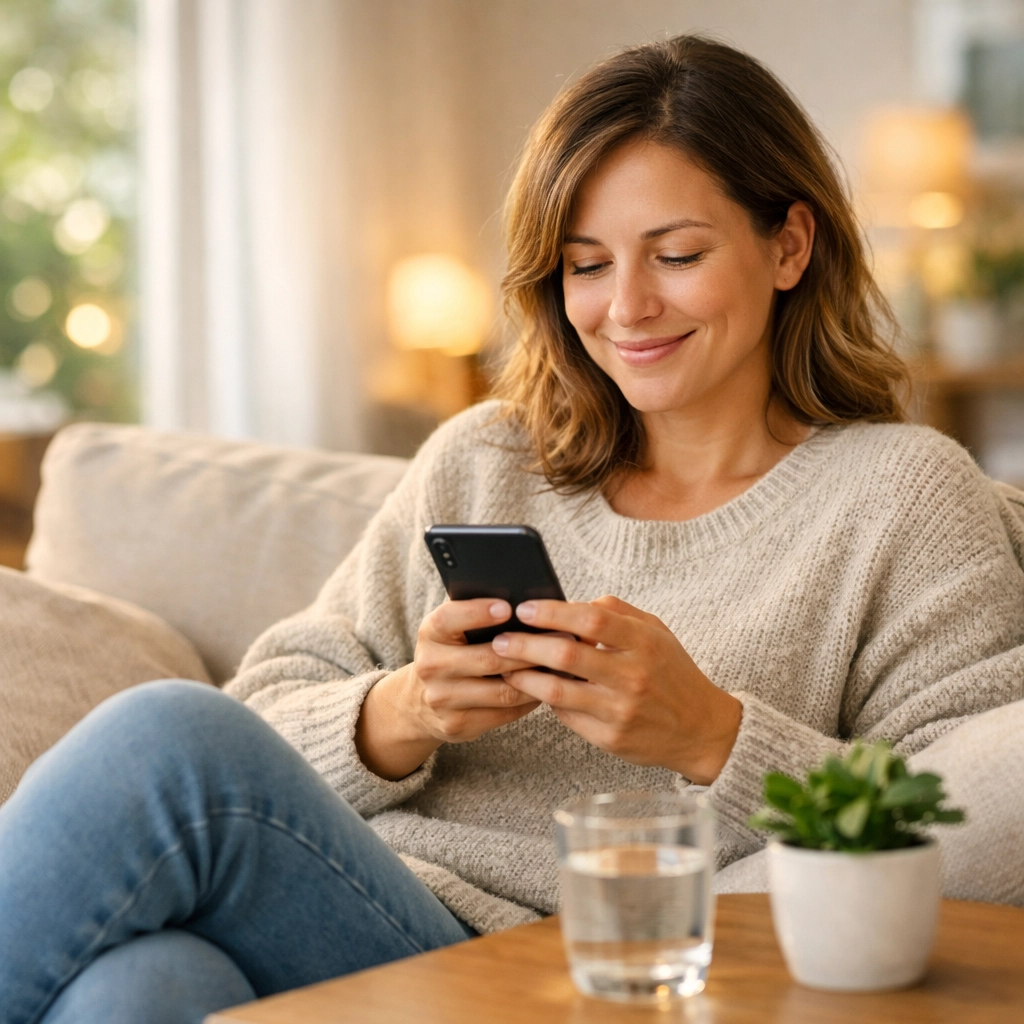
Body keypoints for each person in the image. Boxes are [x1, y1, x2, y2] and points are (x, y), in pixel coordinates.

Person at [2, 33, 1023, 1024]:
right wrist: (405, 711)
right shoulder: (488, 459)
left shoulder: (904, 496)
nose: (627, 306)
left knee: (169, 737)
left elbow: (955, 820)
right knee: (141, 988)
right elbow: (267, 703)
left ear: (789, 245)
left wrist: (712, 734)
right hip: (363, 915)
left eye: (675, 255)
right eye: (586, 265)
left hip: (560, 967)